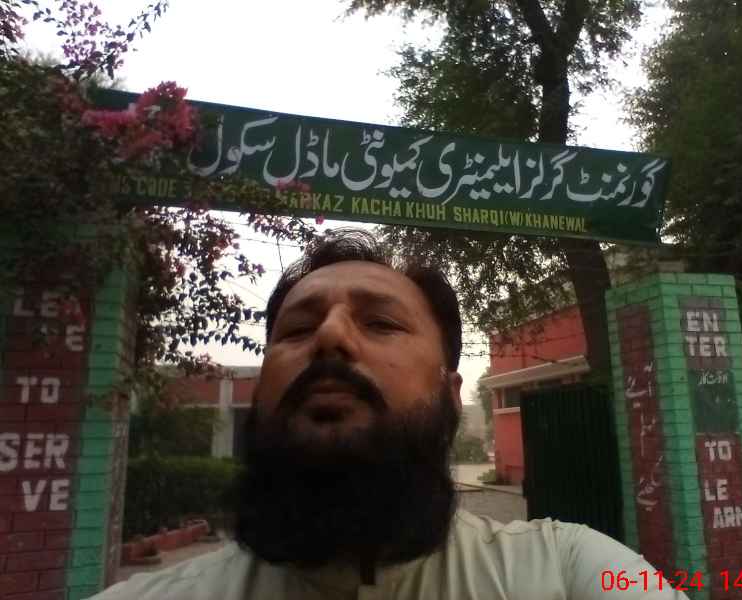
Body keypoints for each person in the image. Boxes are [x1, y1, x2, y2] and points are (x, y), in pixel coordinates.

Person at [93, 228, 688, 599]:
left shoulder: (572, 571)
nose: (329, 336)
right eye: (296, 328)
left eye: (379, 322)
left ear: (451, 393)